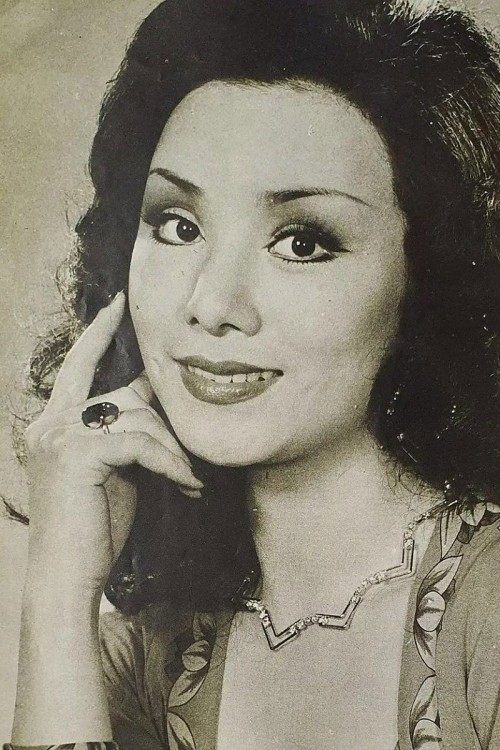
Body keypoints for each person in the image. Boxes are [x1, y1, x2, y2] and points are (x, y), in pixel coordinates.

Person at [4, 0, 500, 747]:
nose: (211, 305)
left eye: (302, 242)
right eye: (178, 226)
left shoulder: (488, 609)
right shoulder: (139, 657)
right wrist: (57, 591)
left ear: (424, 282)